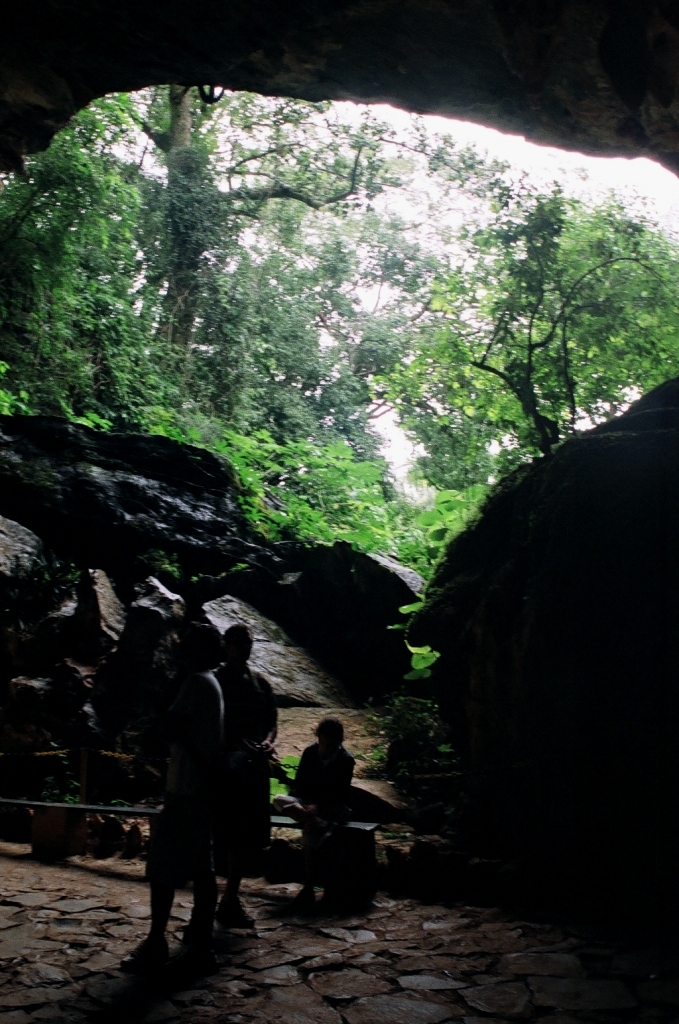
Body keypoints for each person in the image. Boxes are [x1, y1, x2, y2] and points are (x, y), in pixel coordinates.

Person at [121, 621, 224, 975]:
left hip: (185, 789)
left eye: (189, 645)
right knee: (202, 868)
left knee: (162, 868)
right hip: (201, 789)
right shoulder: (211, 683)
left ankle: (155, 942)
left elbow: (167, 727)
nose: (182, 649)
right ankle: (201, 944)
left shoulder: (196, 682)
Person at [214, 622, 277, 928]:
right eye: (240, 641)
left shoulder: (260, 683)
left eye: (249, 641)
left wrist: (267, 742)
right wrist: (234, 742)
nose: (246, 646)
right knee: (223, 833)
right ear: (227, 645)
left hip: (253, 769)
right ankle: (222, 897)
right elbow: (210, 723)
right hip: (225, 770)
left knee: (244, 836)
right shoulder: (216, 681)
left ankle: (230, 897)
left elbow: (271, 720)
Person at [273, 717, 354, 910]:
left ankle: (308, 887)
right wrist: (309, 804)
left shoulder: (345, 760)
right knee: (279, 800)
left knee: (309, 834)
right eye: (323, 742)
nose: (325, 748)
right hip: (307, 805)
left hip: (332, 807)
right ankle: (315, 821)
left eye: (330, 744)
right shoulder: (310, 752)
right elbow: (301, 783)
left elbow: (340, 793)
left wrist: (318, 805)